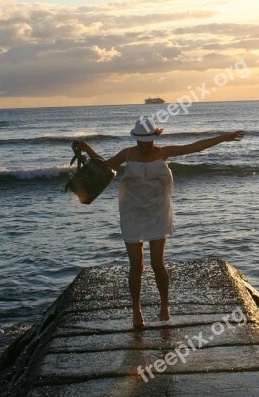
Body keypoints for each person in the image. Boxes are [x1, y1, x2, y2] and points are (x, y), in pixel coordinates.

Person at [75, 116, 245, 329]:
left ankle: (165, 305)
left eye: (149, 140)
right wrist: (88, 149)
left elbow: (194, 147)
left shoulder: (163, 152)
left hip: (157, 211)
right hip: (132, 212)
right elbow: (104, 166)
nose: (146, 144)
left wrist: (225, 137)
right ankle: (136, 311)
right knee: (136, 266)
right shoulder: (127, 153)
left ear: (154, 137)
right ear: (136, 138)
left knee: (157, 264)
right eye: (141, 140)